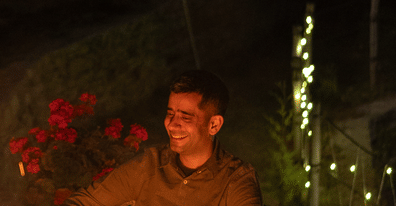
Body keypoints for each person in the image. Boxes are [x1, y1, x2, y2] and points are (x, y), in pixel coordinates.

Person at [64, 70, 263, 206]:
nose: (172, 124)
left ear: (214, 125)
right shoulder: (149, 165)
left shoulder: (236, 181)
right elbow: (83, 202)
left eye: (185, 117)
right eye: (170, 113)